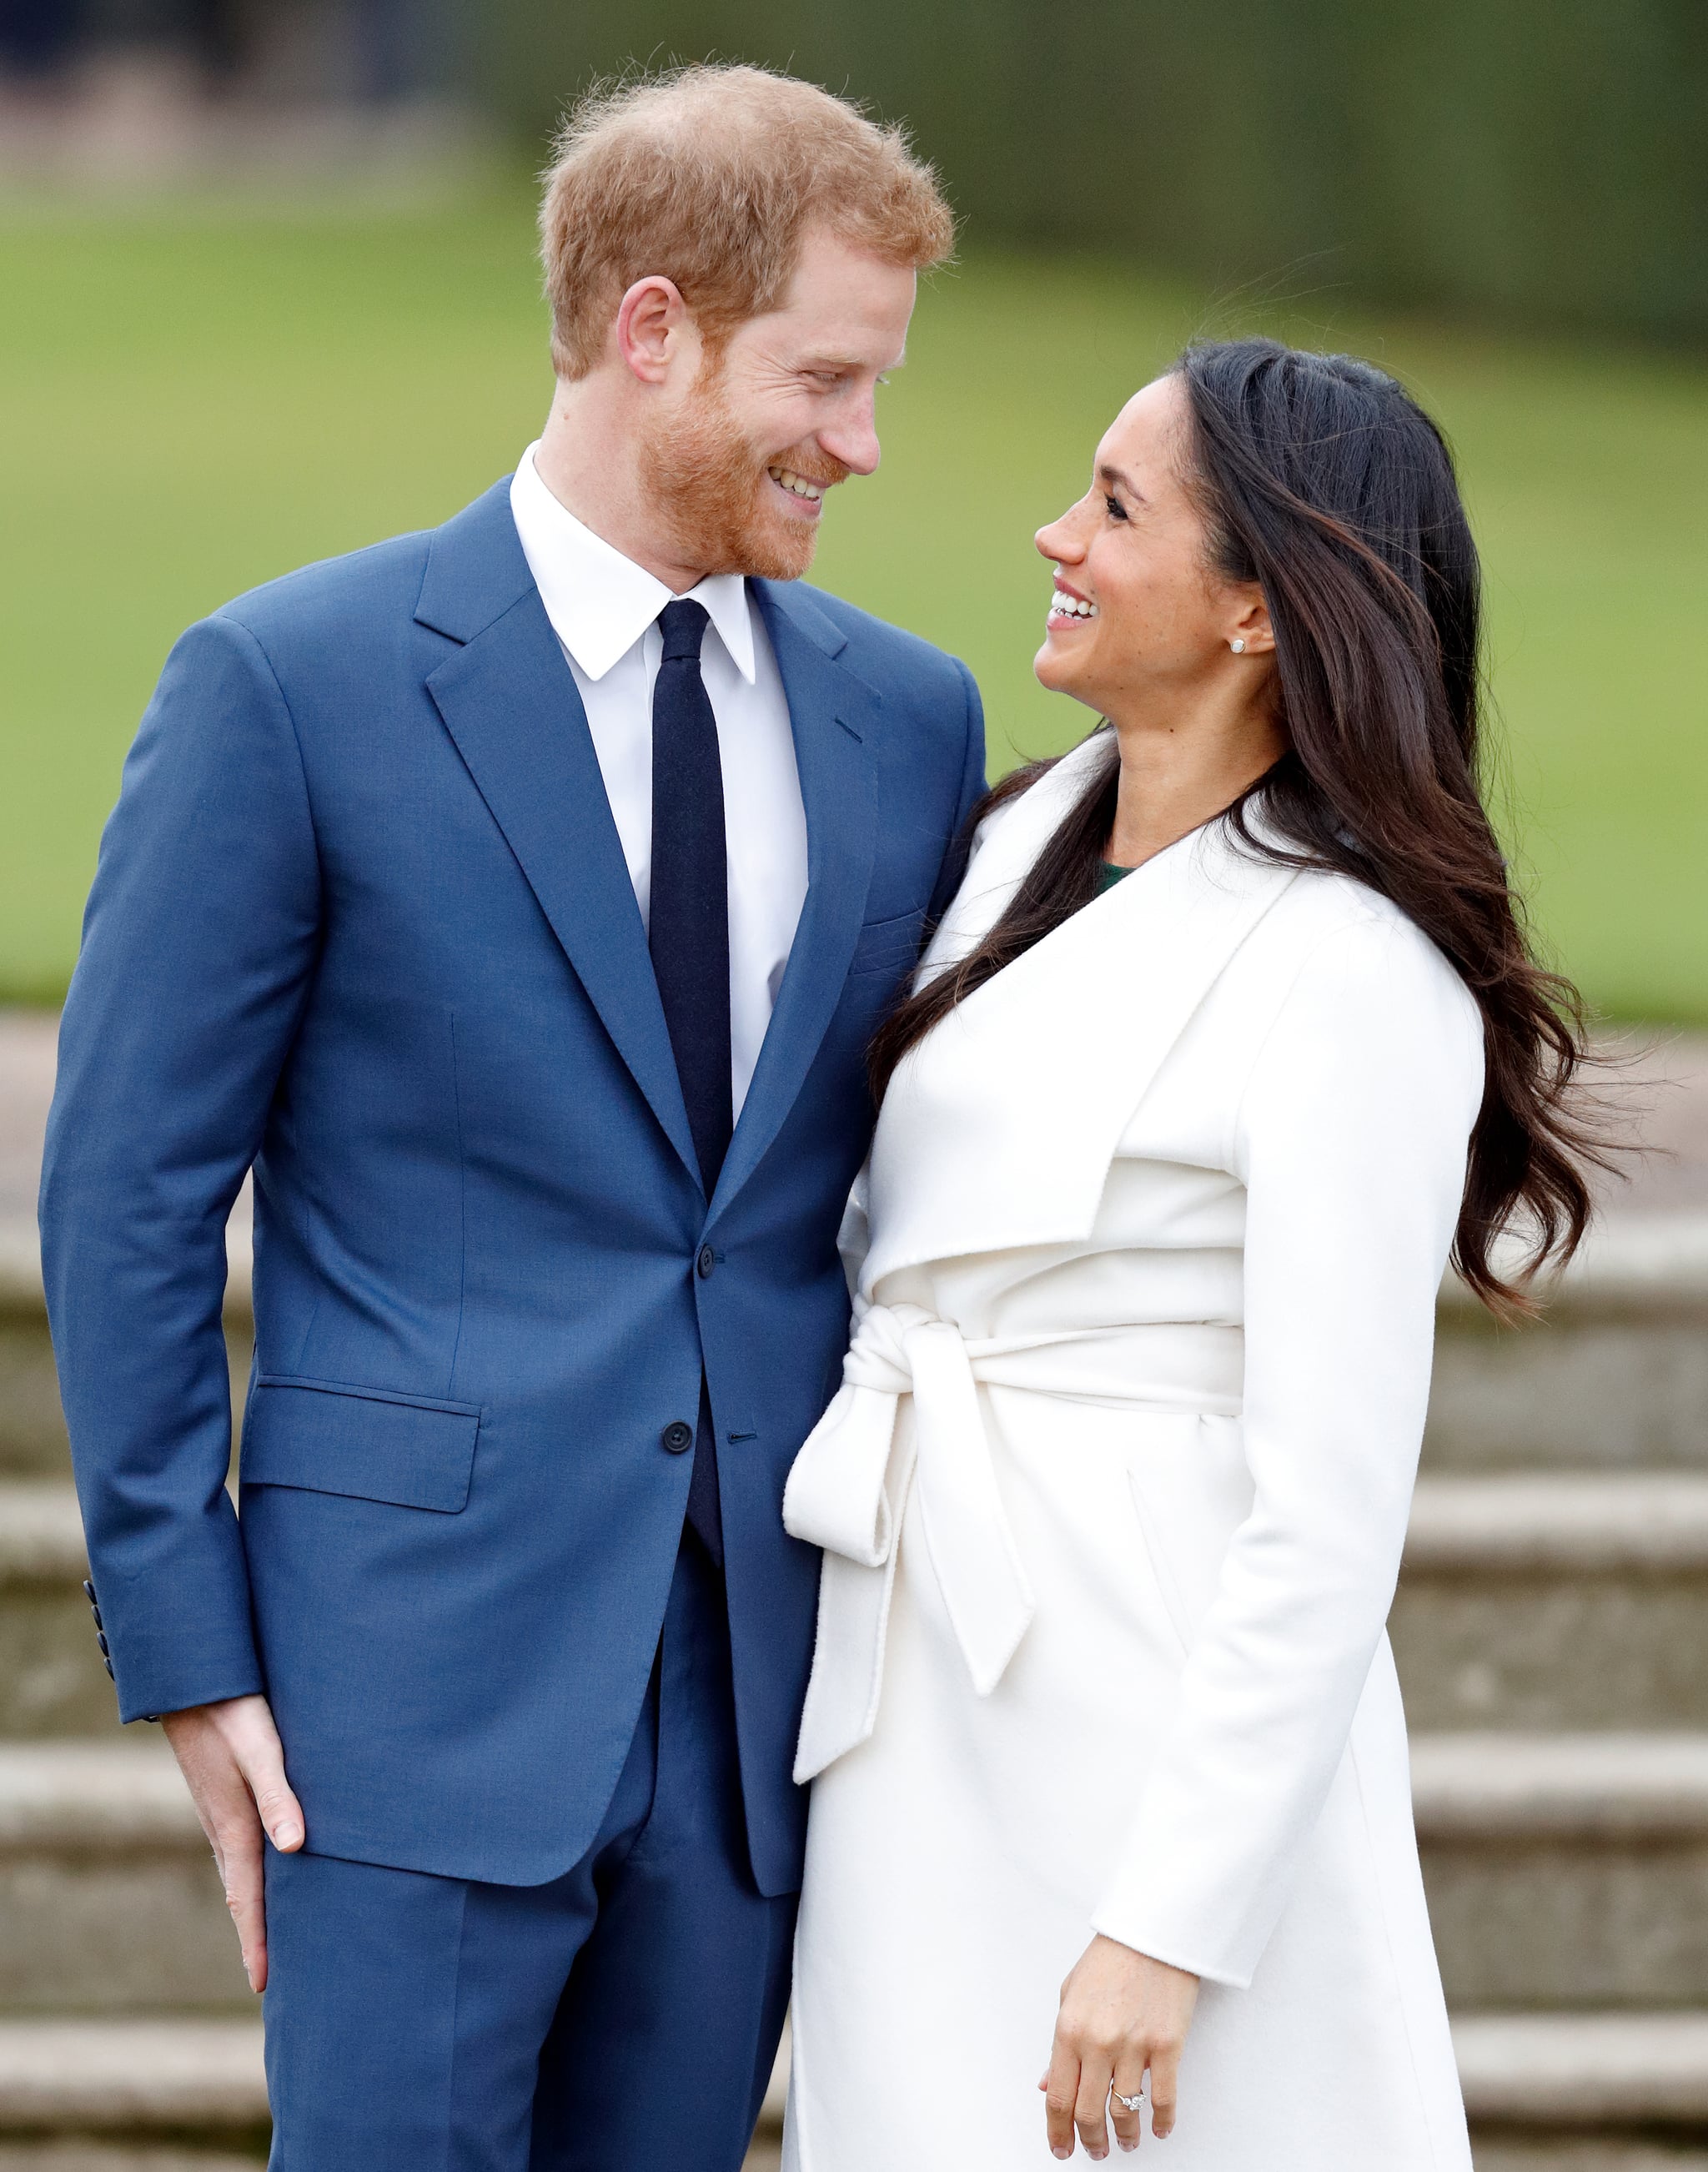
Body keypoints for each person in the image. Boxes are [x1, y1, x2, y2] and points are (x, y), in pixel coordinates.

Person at [39, 64, 979, 2172]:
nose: (862, 441)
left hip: (760, 1709)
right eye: (824, 378)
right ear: (655, 329)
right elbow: (123, 1196)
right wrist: (191, 1654)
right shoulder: (289, 686)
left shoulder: (906, 719)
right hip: (402, 1696)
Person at [782, 339, 1604, 2168]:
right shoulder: (1000, 846)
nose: (1052, 532)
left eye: (1116, 507)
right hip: (917, 1680)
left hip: (1151, 1726)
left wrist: (1167, 1925)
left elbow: (1326, 1516)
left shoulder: (1349, 969)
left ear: (1255, 608)